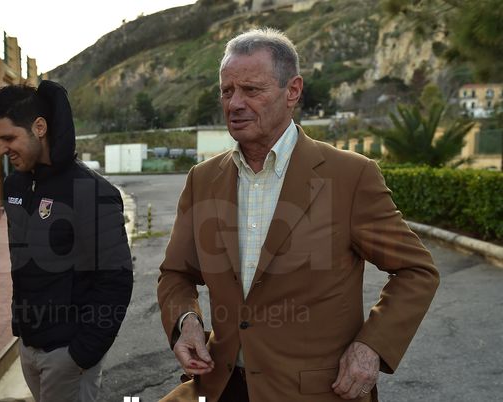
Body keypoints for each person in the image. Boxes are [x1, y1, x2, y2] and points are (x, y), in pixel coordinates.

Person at [157, 28, 439, 402]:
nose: (234, 103)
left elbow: (416, 271)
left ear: (293, 91)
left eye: (251, 90)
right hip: (221, 386)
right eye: (227, 91)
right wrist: (185, 321)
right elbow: (176, 273)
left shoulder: (350, 176)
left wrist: (372, 346)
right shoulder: (202, 179)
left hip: (314, 392)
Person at [0, 81, 133, 402]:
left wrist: (81, 354)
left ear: (39, 128)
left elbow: (116, 280)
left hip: (69, 353)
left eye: (9, 138)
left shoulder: (91, 191)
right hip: (29, 346)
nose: (2, 150)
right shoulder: (16, 186)